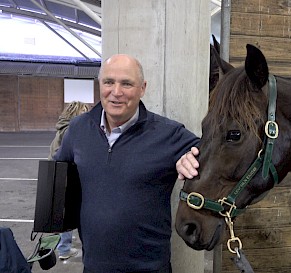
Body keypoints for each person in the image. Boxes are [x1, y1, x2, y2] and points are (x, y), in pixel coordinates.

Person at [53, 54, 200, 273]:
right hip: (93, 267)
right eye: (109, 82)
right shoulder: (78, 129)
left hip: (149, 269)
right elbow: (58, 175)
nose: (116, 92)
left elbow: (213, 154)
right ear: (100, 84)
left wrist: (192, 157)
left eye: (127, 84)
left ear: (142, 88)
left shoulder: (168, 134)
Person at [48, 101, 89, 260]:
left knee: (67, 213)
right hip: (66, 177)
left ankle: (64, 245)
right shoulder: (71, 131)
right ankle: (64, 249)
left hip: (59, 176)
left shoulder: (62, 128)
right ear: (76, 113)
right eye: (83, 111)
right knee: (71, 212)